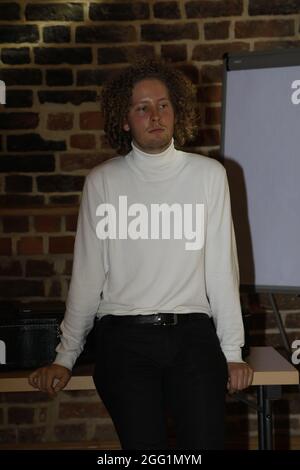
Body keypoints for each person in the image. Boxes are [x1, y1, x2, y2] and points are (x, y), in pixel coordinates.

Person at [29, 58, 253, 450]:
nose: (155, 115)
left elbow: (221, 270)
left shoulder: (208, 176)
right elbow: (87, 276)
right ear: (124, 119)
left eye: (163, 105)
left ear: (176, 111)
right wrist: (65, 357)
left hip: (193, 338)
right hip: (124, 340)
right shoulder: (103, 181)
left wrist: (232, 351)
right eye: (142, 107)